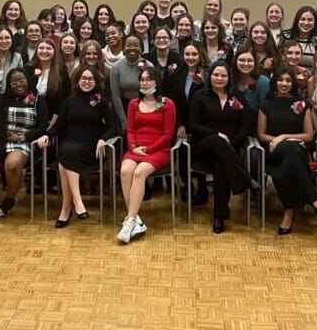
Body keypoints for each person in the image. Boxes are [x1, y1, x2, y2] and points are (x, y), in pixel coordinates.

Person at [37, 65, 114, 228]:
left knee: (64, 160)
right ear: (78, 81)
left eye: (90, 79)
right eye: (83, 78)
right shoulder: (70, 100)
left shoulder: (100, 101)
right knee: (67, 151)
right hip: (70, 142)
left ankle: (67, 208)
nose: (87, 82)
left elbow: (114, 127)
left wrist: (103, 139)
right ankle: (77, 203)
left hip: (91, 146)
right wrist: (47, 135)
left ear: (96, 82)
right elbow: (59, 125)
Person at [189, 61, 260, 234]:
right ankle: (245, 178)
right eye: (216, 74)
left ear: (229, 78)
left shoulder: (237, 96)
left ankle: (219, 216)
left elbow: (246, 124)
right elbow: (192, 124)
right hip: (203, 146)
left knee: (221, 166)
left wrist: (233, 141)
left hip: (229, 150)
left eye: (223, 75)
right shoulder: (199, 96)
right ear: (210, 76)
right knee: (216, 140)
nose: (219, 78)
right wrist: (216, 134)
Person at [0, 68, 47, 226]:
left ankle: (10, 199)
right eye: (14, 82)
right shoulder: (0, 99)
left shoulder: (38, 100)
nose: (19, 84)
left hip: (24, 139)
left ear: (27, 80)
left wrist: (22, 137)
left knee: (12, 165)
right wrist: (3, 134)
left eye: (22, 80)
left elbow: (42, 127)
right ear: (9, 84)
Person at [257, 65, 317, 234]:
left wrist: (284, 137)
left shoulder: (302, 105)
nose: (284, 83)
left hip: (293, 154)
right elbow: (261, 135)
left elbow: (309, 135)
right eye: (280, 80)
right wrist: (281, 139)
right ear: (274, 83)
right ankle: (313, 197)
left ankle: (289, 212)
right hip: (273, 152)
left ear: (293, 84)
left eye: (288, 80)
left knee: (289, 161)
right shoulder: (266, 105)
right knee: (292, 148)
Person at [116, 67, 176, 243]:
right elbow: (131, 129)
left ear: (156, 81)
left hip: (158, 150)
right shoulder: (134, 103)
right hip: (136, 148)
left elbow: (167, 135)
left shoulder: (167, 104)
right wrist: (133, 147)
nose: (145, 82)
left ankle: (130, 221)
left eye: (149, 79)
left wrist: (148, 149)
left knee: (139, 172)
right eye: (142, 79)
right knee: (126, 171)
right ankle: (135, 220)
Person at [167, 42, 209, 203]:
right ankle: (187, 186)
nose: (190, 58)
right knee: (182, 152)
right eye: (187, 54)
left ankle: (203, 188)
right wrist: (180, 124)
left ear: (200, 56)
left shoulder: (207, 74)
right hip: (183, 121)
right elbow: (174, 101)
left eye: (194, 55)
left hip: (202, 122)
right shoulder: (178, 73)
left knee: (200, 154)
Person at [110, 34, 149, 134]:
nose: (132, 48)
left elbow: (152, 92)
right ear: (123, 47)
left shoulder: (148, 66)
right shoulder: (116, 68)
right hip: (123, 108)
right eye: (128, 45)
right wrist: (124, 120)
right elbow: (116, 95)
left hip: (145, 107)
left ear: (141, 48)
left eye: (136, 45)